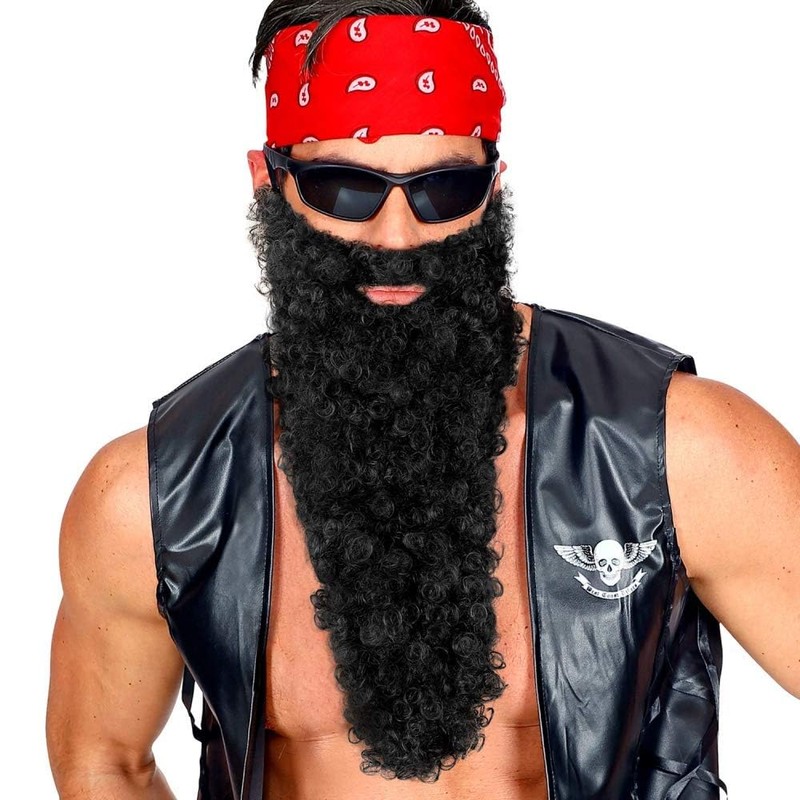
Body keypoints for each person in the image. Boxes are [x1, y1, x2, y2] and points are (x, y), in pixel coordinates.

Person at [46, 2, 800, 799]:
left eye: (445, 189)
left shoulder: (676, 451)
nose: (398, 236)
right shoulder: (155, 497)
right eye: (344, 188)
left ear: (493, 186)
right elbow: (103, 759)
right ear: (269, 182)